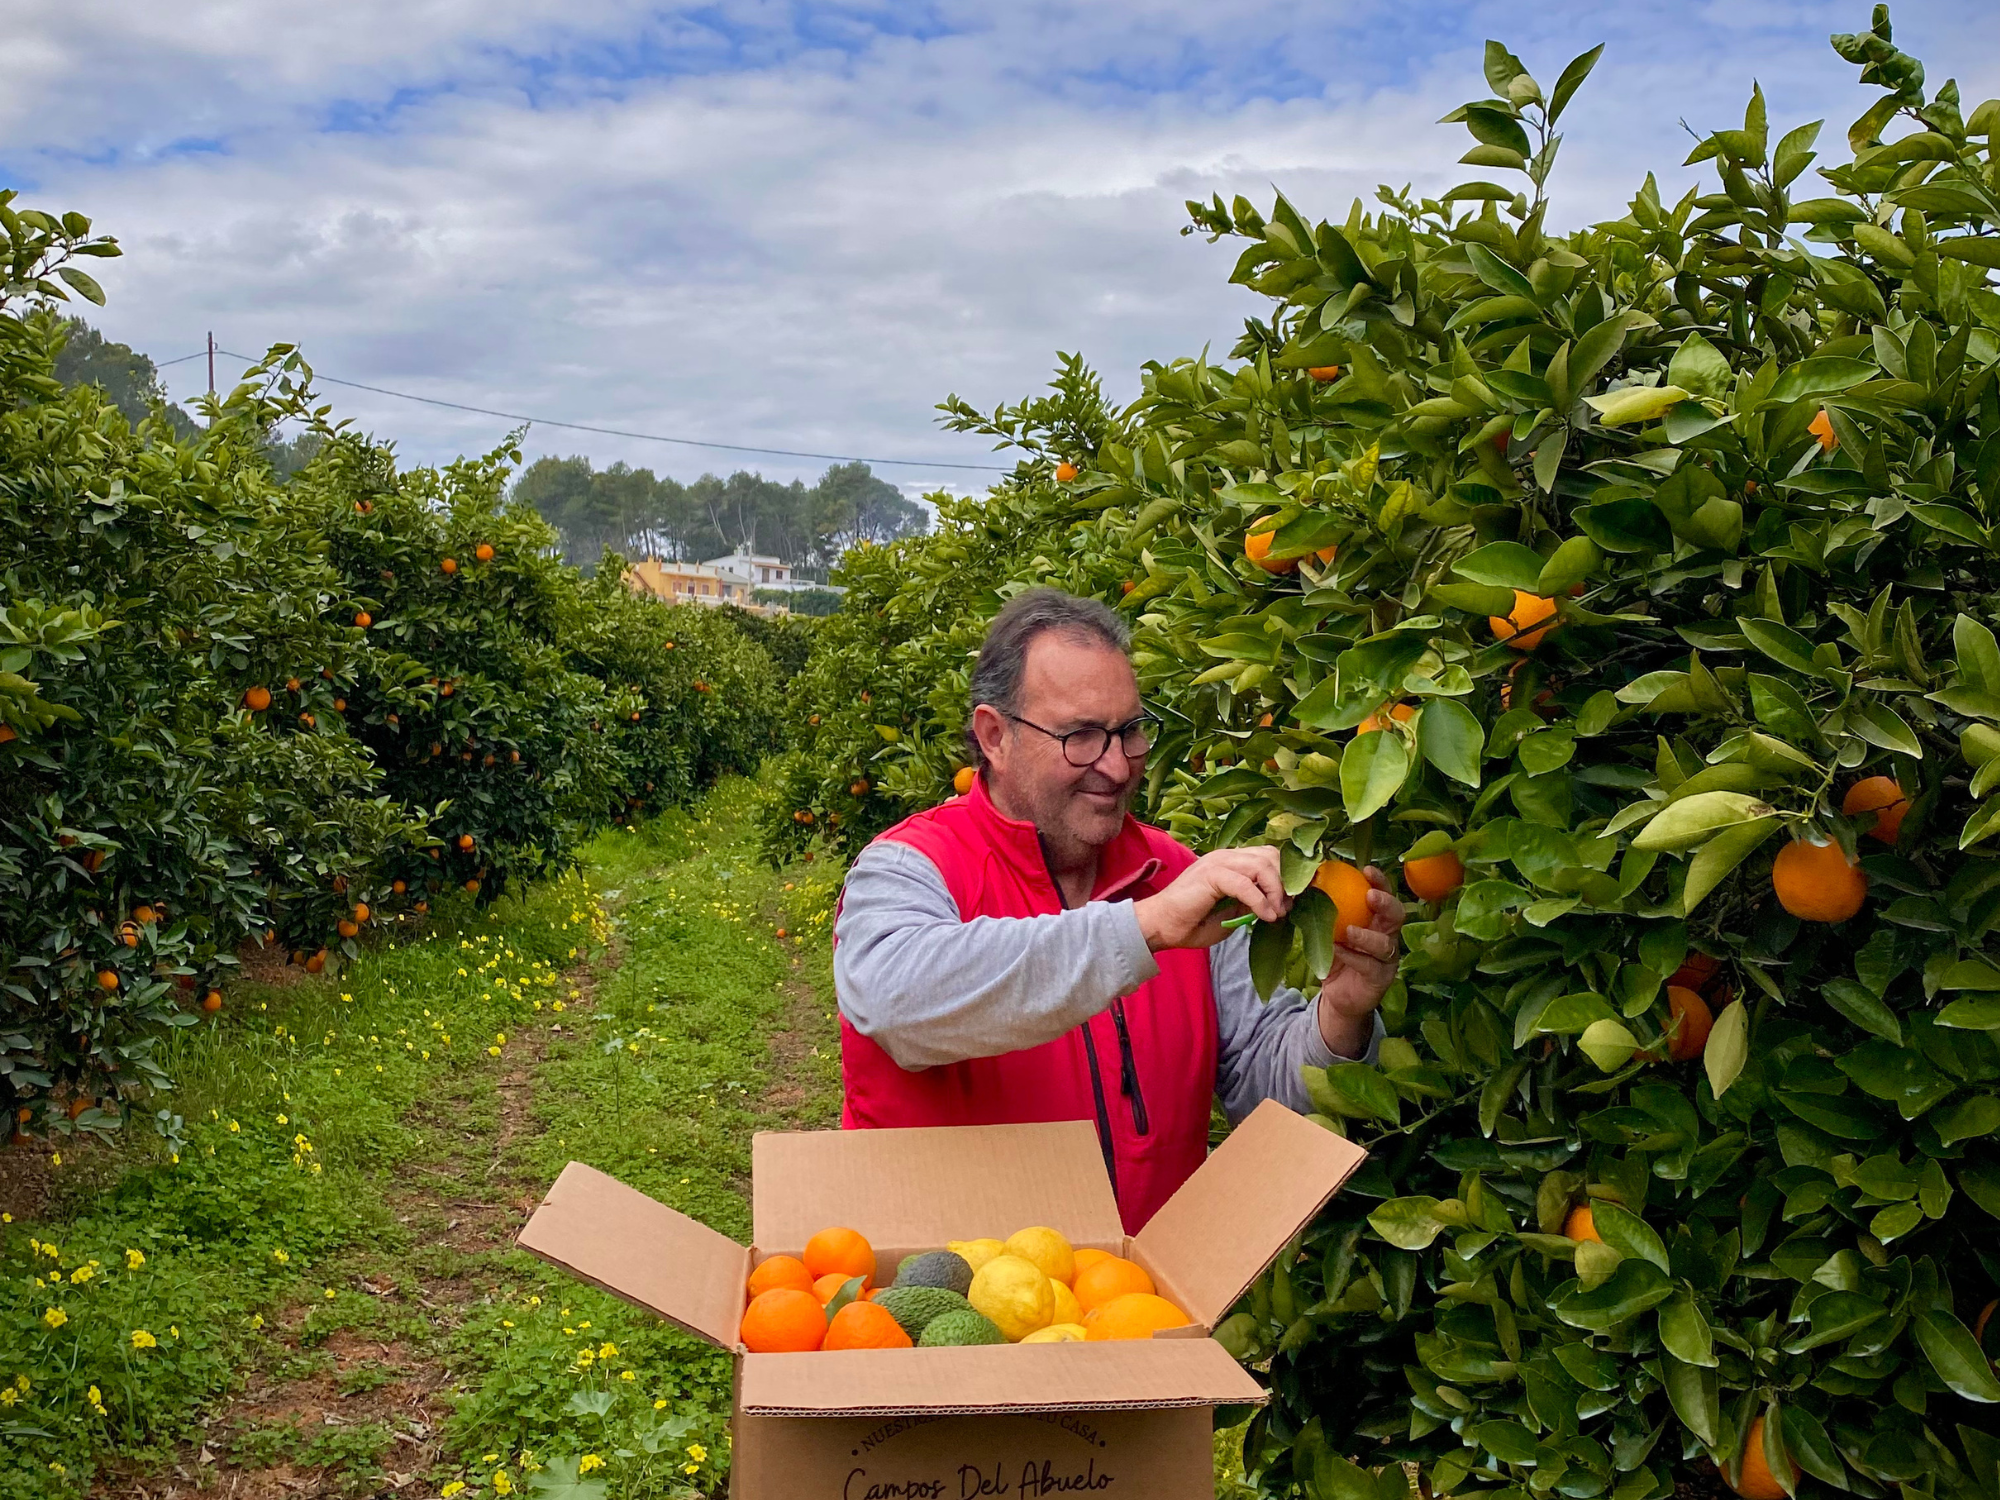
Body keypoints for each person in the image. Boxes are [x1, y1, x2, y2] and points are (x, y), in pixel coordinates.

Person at [833, 588, 1405, 1230]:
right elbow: (893, 1000)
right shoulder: (911, 867)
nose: (1115, 764)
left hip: (1138, 1307)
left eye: (1129, 731)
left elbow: (1266, 1097)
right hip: (946, 1307)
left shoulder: (1177, 876)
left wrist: (1341, 1018)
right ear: (995, 736)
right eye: (1080, 736)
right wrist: (1145, 929)